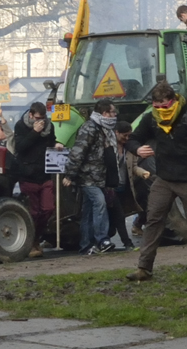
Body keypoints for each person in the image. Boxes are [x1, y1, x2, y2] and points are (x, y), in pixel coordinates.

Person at [124, 81, 187, 281]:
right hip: (164, 179)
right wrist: (136, 148)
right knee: (153, 219)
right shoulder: (151, 119)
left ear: (173, 101)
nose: (161, 111)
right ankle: (144, 268)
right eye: (157, 107)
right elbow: (131, 138)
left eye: (165, 107)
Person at [63, 99, 119, 255]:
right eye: (112, 112)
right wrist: (70, 174)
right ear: (104, 113)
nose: (115, 115)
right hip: (87, 177)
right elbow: (77, 152)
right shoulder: (89, 128)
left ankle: (86, 245)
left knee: (87, 212)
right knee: (100, 203)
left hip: (98, 177)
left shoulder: (104, 128)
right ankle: (102, 240)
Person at [15, 102, 64, 258]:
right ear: (31, 115)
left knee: (48, 208)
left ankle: (37, 237)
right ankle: (31, 242)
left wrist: (56, 145)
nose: (41, 121)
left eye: (43, 118)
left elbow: (51, 141)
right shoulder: (21, 126)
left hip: (45, 173)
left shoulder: (49, 127)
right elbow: (20, 147)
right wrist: (35, 133)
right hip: (28, 174)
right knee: (33, 212)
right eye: (38, 118)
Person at [107, 122, 138, 251]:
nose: (127, 138)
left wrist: (145, 173)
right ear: (116, 133)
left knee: (113, 217)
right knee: (119, 216)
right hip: (111, 187)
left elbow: (134, 166)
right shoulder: (108, 147)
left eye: (129, 136)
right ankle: (127, 243)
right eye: (124, 135)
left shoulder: (128, 149)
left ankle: (105, 239)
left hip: (123, 187)